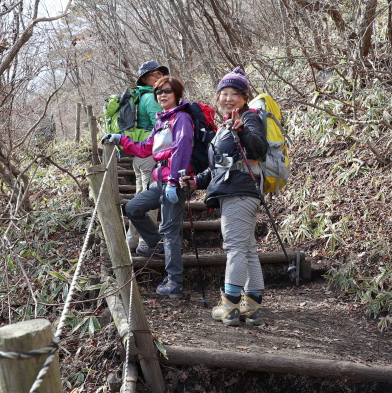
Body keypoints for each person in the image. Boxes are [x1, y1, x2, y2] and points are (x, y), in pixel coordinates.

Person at [181, 67, 268, 325]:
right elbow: (220, 167)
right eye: (224, 93)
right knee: (247, 249)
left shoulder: (248, 118)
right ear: (218, 96)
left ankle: (229, 306)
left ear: (244, 97)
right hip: (237, 191)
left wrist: (242, 131)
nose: (228, 98)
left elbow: (259, 149)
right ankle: (251, 304)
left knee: (235, 248)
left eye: (235, 94)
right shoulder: (224, 126)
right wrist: (197, 180)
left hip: (240, 192)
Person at [102, 76, 193, 299]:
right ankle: (156, 243)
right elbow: (145, 149)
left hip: (175, 182)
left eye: (167, 91)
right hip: (160, 181)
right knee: (133, 208)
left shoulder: (181, 118)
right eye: (159, 92)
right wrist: (121, 139)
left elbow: (182, 150)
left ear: (177, 94)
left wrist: (173, 182)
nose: (162, 95)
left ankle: (174, 282)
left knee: (170, 231)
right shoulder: (162, 121)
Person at [112, 61, 168, 252]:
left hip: (140, 156)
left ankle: (132, 243)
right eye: (153, 74)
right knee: (148, 203)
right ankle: (146, 243)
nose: (158, 76)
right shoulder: (151, 98)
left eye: (160, 73)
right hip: (149, 155)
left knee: (139, 200)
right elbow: (160, 125)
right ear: (144, 78)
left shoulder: (142, 97)